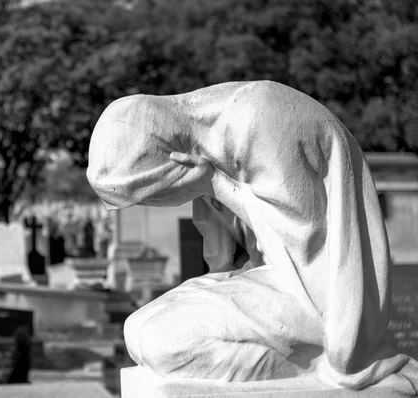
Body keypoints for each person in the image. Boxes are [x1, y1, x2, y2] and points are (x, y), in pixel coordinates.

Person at [87, 81, 418, 394]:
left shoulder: (261, 120)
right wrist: (208, 187)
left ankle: (297, 372)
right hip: (273, 278)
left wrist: (214, 184)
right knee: (136, 328)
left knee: (164, 343)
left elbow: (302, 241)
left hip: (318, 294)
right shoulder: (209, 139)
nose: (150, 206)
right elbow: (226, 256)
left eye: (147, 198)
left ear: (170, 167)